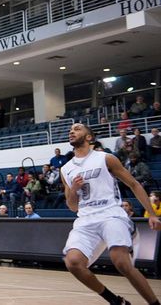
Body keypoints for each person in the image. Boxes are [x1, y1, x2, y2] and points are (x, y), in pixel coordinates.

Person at [61, 123, 161, 305]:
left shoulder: (105, 158)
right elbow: (72, 206)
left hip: (110, 213)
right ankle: (115, 300)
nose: (72, 131)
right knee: (73, 262)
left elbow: (134, 184)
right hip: (85, 219)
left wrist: (152, 214)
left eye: (77, 128)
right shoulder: (66, 169)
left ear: (89, 137)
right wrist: (74, 189)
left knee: (121, 262)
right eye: (70, 130)